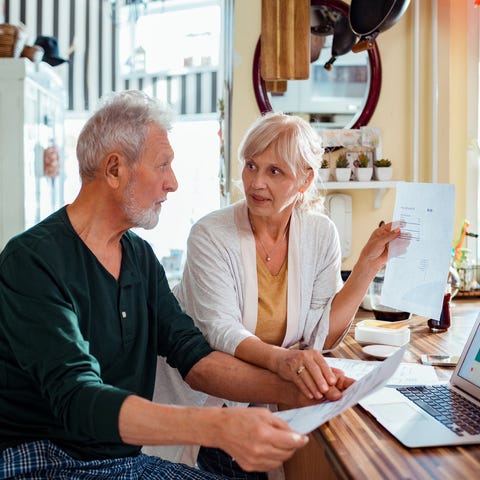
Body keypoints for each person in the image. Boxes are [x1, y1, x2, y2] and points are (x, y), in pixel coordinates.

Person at [0, 91, 355, 480]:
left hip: (123, 463)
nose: (173, 183)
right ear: (115, 170)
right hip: (42, 460)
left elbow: (196, 358)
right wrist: (216, 426)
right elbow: (78, 398)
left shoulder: (138, 257)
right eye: (163, 165)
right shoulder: (32, 260)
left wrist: (299, 390)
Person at [153, 112, 404, 479]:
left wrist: (366, 265)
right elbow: (222, 332)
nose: (255, 182)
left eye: (275, 171)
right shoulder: (210, 234)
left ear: (305, 180)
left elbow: (324, 334)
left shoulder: (320, 233)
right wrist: (284, 362)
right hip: (208, 404)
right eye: (251, 165)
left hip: (268, 405)